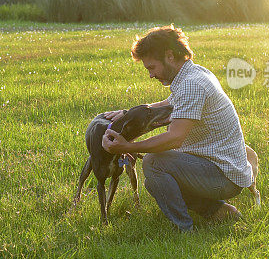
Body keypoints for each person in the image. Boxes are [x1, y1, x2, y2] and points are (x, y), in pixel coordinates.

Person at [101, 25, 253, 232]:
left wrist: (127, 146)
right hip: (221, 168)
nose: (151, 75)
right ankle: (216, 211)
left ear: (170, 56)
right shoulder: (193, 75)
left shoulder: (192, 84)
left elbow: (175, 138)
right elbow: (169, 105)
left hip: (223, 177)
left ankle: (185, 229)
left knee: (154, 163)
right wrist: (128, 114)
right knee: (154, 181)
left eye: (151, 67)